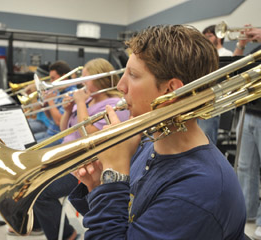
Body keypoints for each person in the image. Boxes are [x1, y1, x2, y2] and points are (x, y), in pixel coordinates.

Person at [69, 25, 246, 239]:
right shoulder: (148, 143)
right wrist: (99, 185)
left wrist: (115, 174)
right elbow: (121, 224)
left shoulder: (200, 189)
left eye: (133, 75)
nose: (121, 86)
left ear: (171, 90)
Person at [29, 58, 130, 240]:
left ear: (100, 79)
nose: (81, 83)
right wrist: (68, 110)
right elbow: (64, 129)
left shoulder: (115, 104)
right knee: (30, 171)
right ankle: (36, 223)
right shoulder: (89, 98)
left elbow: (91, 137)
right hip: (66, 151)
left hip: (84, 164)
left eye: (86, 78)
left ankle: (67, 235)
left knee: (40, 192)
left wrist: (80, 103)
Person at [233, 26, 261, 240]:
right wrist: (240, 45)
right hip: (250, 112)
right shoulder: (256, 52)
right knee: (244, 167)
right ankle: (246, 213)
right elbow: (234, 72)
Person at [26, 61, 77, 146]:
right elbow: (50, 118)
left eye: (53, 78)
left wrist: (50, 101)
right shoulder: (58, 91)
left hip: (58, 137)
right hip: (50, 132)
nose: (51, 81)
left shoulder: (71, 93)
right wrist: (45, 104)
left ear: (64, 77)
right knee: (25, 142)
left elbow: (58, 121)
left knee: (29, 148)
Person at [198, 24, 234, 144]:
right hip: (199, 101)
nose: (205, 39)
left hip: (213, 102)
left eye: (208, 36)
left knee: (206, 140)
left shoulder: (225, 53)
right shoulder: (202, 55)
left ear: (218, 37)